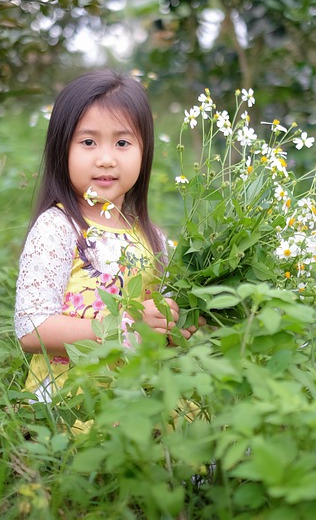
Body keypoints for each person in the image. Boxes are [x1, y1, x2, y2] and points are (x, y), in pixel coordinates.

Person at [14, 69, 200, 405]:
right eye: (88, 142)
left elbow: (153, 323)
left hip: (138, 402)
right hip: (69, 402)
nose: (105, 158)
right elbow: (31, 329)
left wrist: (174, 327)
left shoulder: (152, 236)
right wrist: (124, 326)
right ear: (61, 148)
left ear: (144, 151)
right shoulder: (58, 227)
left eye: (123, 142)